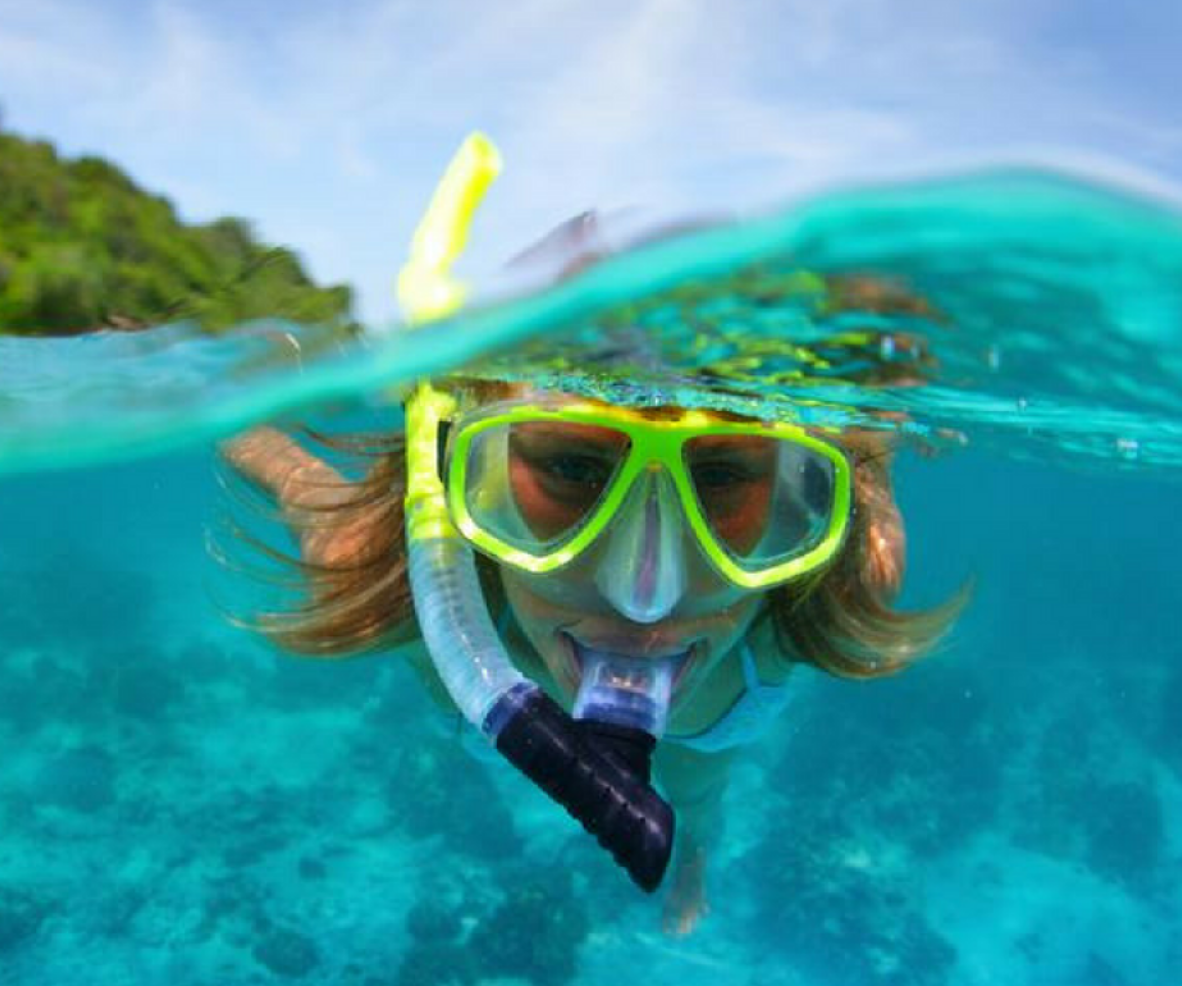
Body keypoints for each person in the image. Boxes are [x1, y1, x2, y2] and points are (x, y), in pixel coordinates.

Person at [219, 135, 966, 936]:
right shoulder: (381, 564)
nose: (643, 597)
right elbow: (271, 453)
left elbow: (864, 450)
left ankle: (697, 857)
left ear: (802, 496)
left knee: (699, 789)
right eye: (573, 468)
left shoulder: (843, 576)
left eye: (721, 478)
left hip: (709, 726)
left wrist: (873, 421)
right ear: (450, 472)